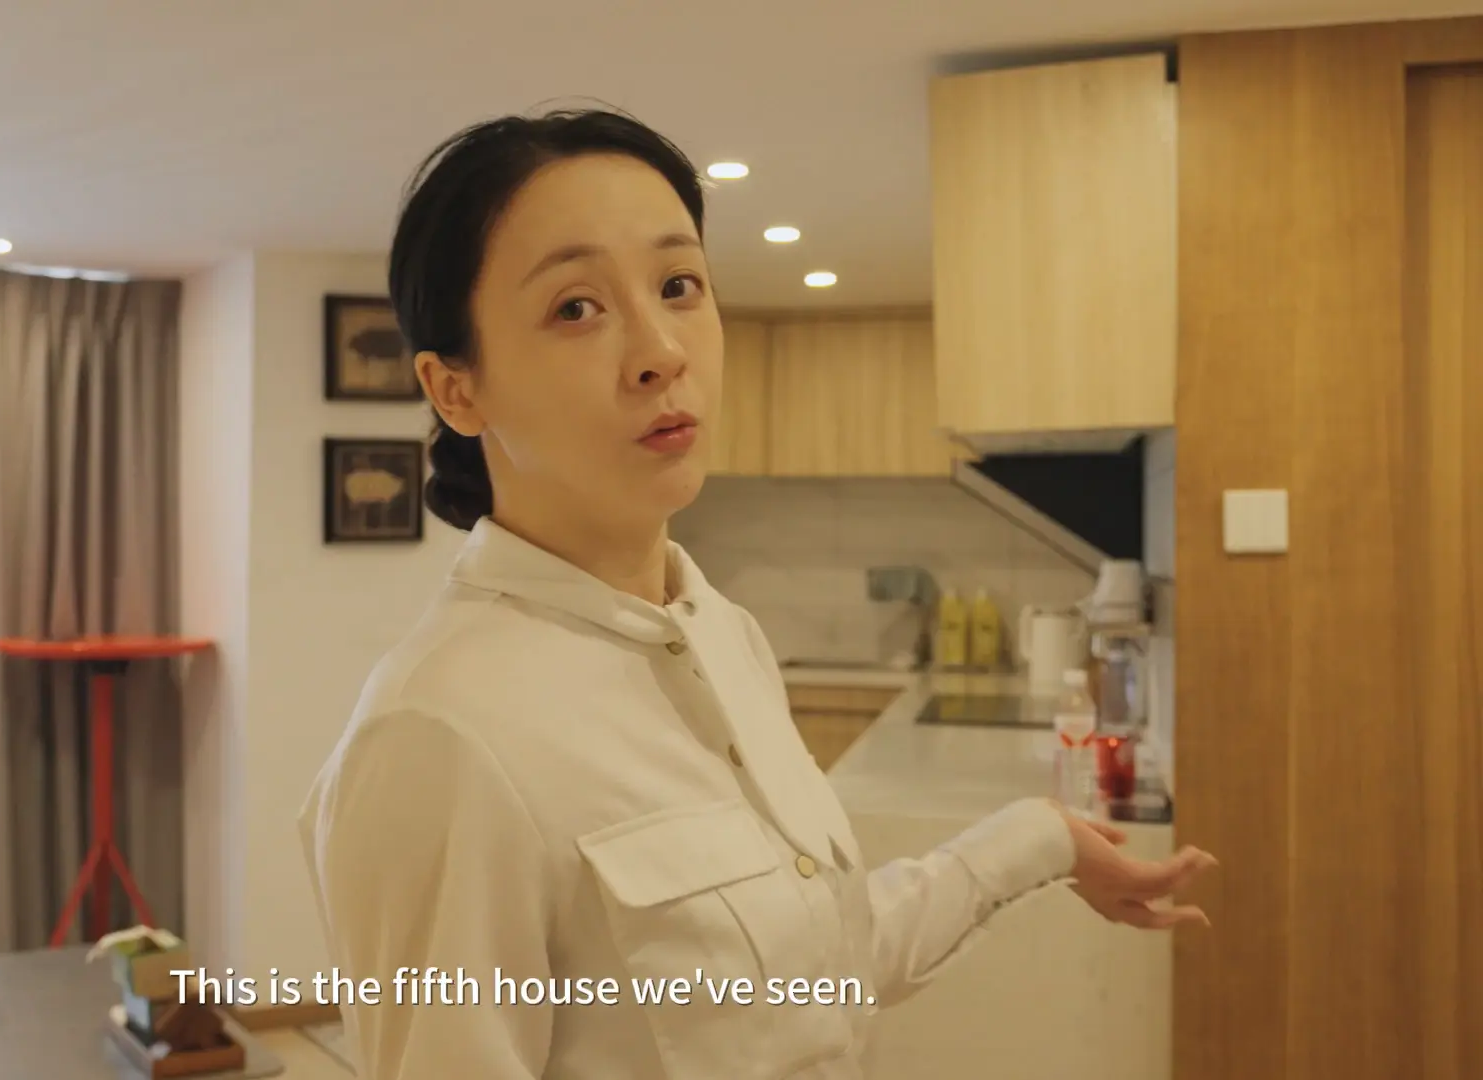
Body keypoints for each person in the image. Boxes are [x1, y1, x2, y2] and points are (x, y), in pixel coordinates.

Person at [297, 106, 1216, 1080]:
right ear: (456, 390)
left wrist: (1038, 842)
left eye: (678, 285)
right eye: (576, 307)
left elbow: (813, 973)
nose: (661, 349)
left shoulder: (720, 635)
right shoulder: (440, 733)